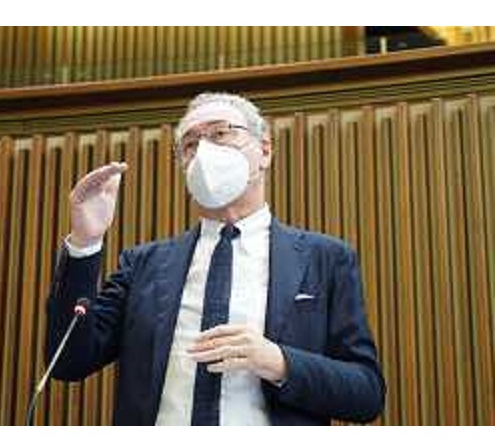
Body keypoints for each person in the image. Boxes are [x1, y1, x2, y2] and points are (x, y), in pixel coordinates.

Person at [46, 92, 386, 425]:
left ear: (265, 151)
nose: (204, 151)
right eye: (190, 144)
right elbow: (68, 361)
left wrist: (280, 362)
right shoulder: (142, 265)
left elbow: (367, 393)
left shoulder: (326, 258)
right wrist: (85, 242)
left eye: (221, 133)